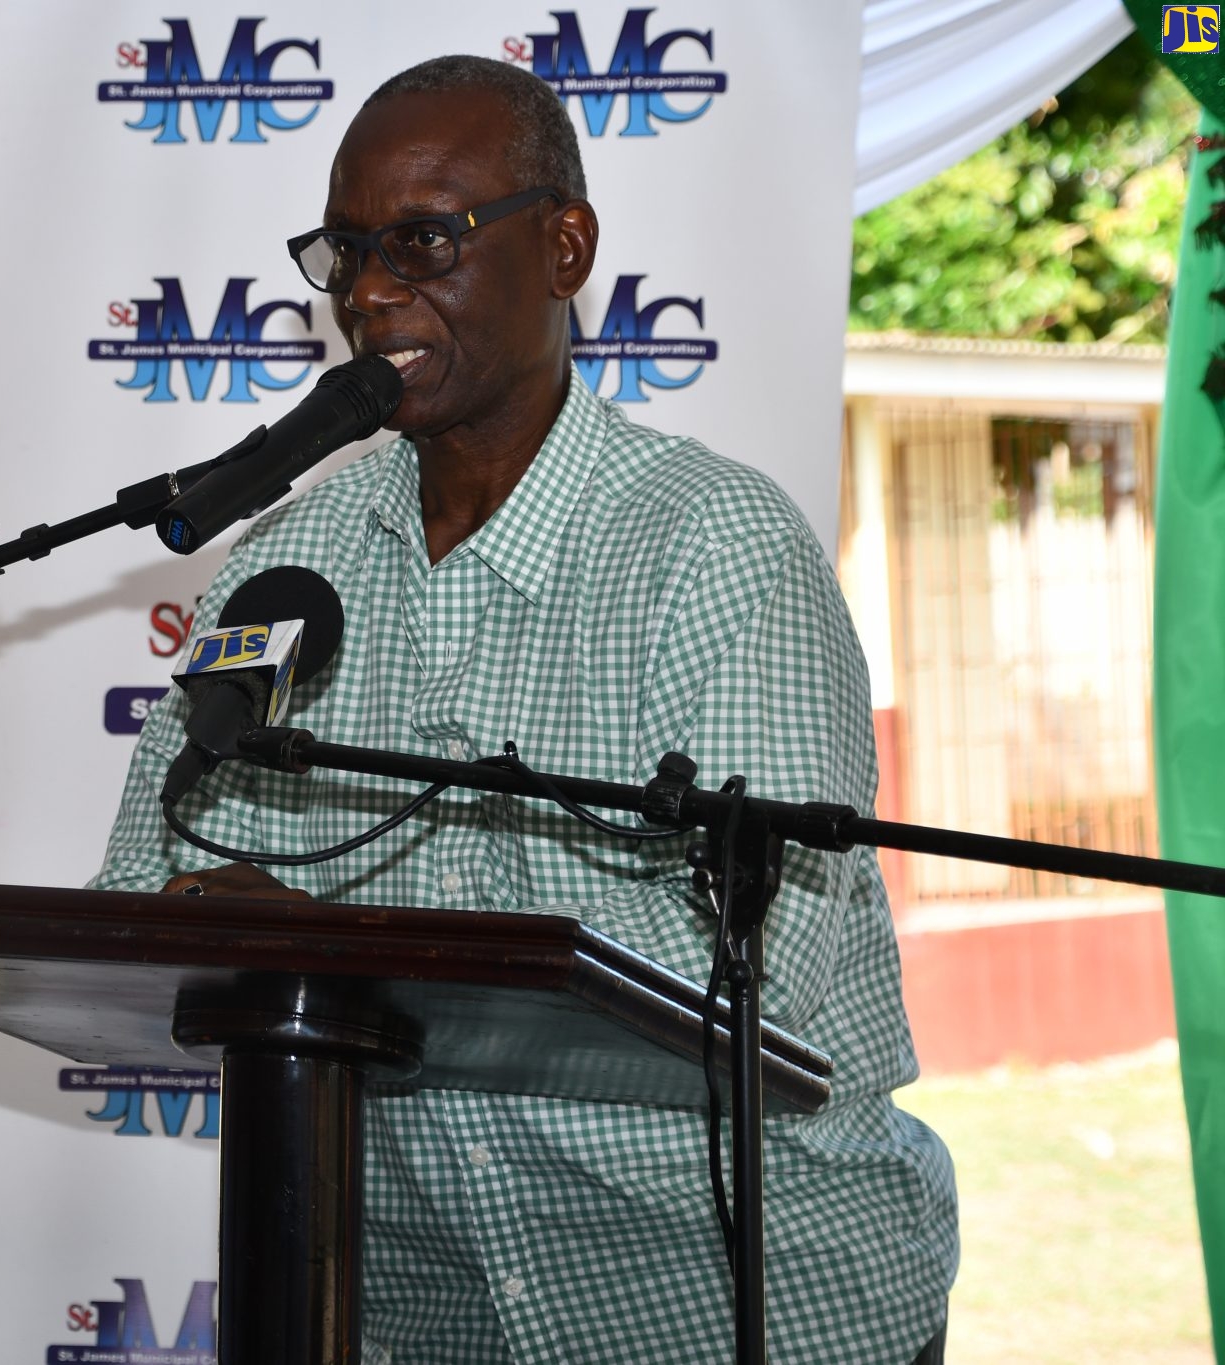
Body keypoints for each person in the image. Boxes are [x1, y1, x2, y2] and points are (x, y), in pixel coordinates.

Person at [91, 54, 958, 1364]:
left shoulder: (714, 549)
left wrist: (341, 940)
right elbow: (147, 861)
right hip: (419, 1313)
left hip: (732, 1303)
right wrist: (204, 904)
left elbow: (763, 977)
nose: (373, 291)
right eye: (347, 250)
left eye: (423, 241)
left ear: (564, 246)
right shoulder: (294, 560)